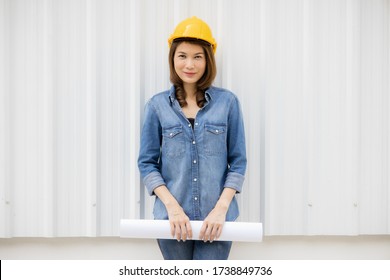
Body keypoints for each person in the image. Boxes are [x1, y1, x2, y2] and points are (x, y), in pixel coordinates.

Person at [138, 16, 247, 260]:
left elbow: (238, 162)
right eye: (182, 55)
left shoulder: (228, 103)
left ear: (208, 60)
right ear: (173, 59)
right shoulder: (157, 107)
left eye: (197, 56)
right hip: (173, 222)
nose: (190, 64)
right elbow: (146, 163)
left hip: (216, 222)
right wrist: (173, 208)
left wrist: (221, 209)